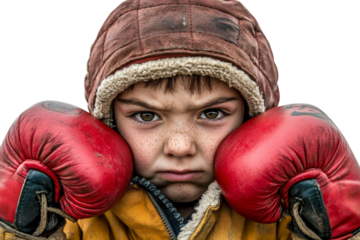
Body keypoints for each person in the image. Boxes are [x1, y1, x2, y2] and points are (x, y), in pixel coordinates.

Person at [1, 0, 359, 239]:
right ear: (107, 122)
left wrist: (340, 224)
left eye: (212, 113)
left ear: (254, 119)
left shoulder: (288, 218)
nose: (180, 147)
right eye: (145, 115)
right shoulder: (69, 218)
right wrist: (22, 224)